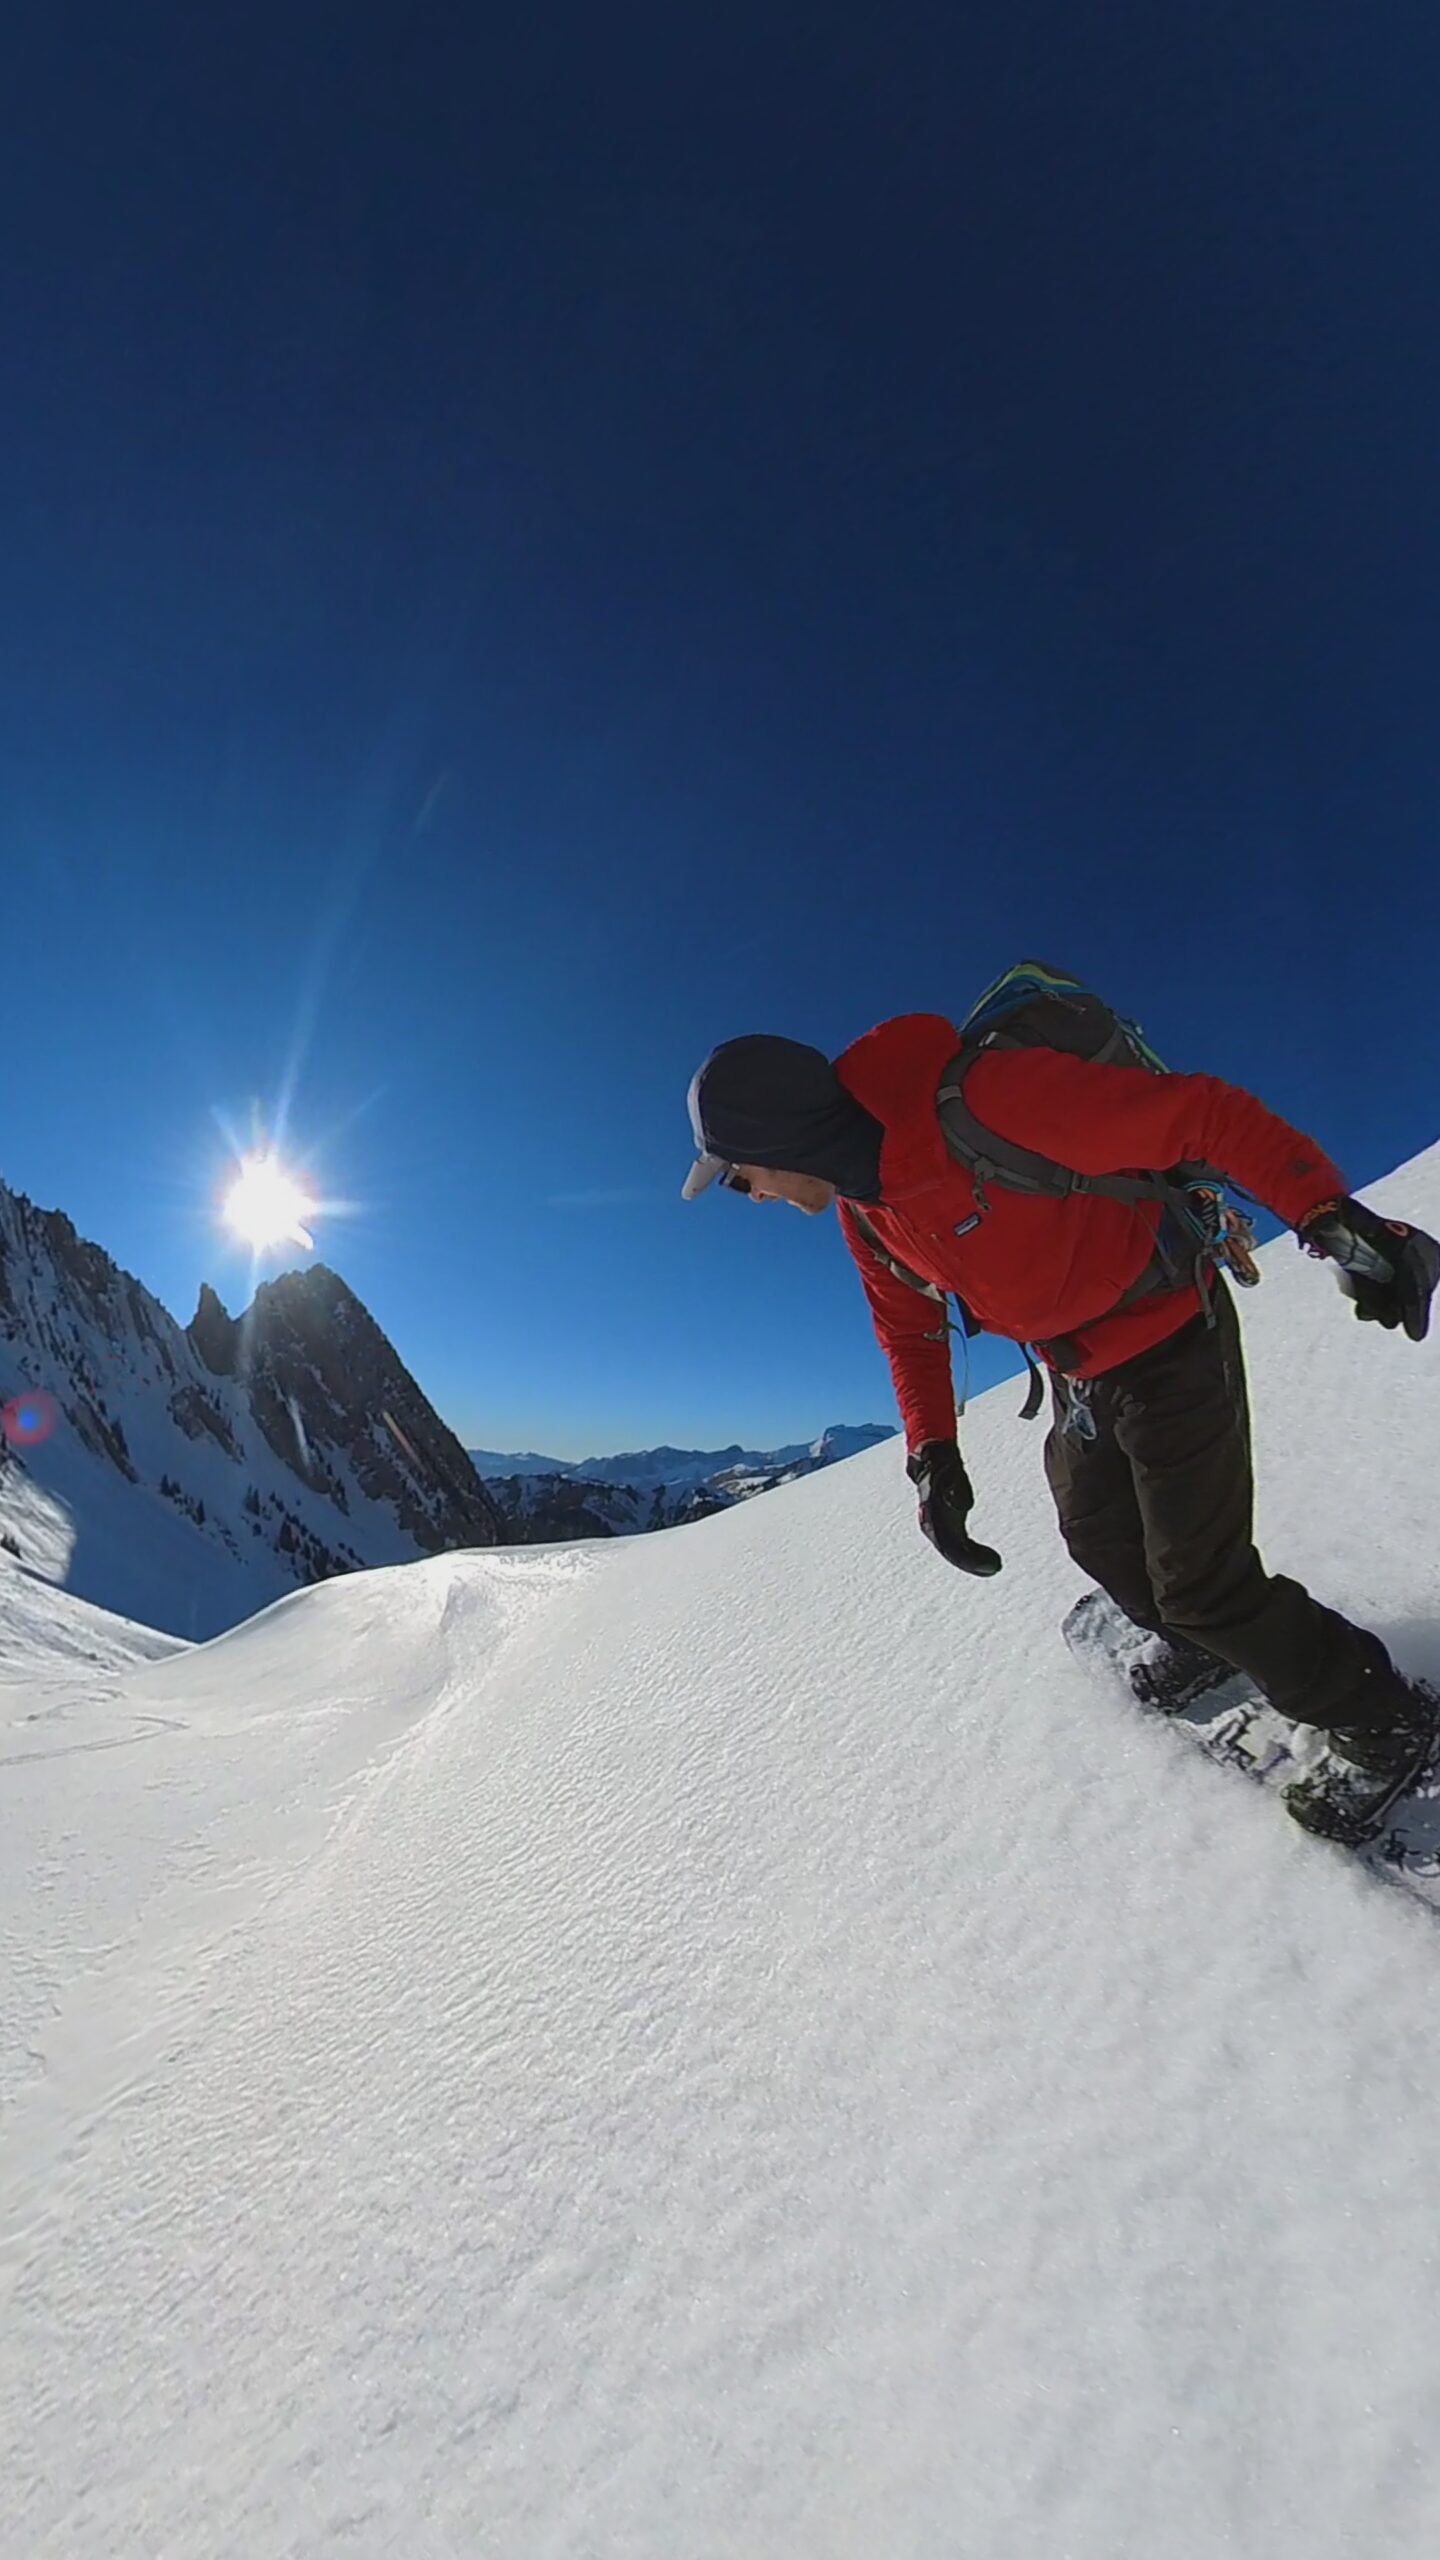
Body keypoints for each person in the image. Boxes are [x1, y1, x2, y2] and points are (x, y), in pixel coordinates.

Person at [680, 1009, 1440, 1788]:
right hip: (1078, 1375)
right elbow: (910, 1334)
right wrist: (931, 1456)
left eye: (738, 1176)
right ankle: (1198, 1645)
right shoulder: (866, 1212)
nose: (751, 1196)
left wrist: (1327, 1215)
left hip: (1173, 1338)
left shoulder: (984, 1102)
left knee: (1203, 1586)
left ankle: (1382, 1718)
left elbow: (1205, 1116)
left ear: (778, 1141)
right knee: (1099, 1540)